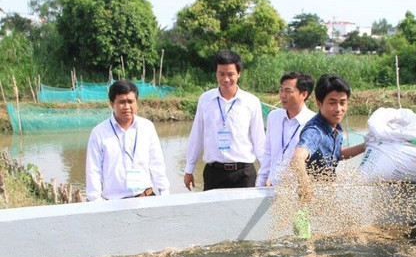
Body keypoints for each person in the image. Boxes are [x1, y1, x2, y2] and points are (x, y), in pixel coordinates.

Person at [183, 50, 265, 191]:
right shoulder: (205, 100)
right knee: (212, 213)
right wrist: (189, 168)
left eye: (230, 74)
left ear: (239, 74)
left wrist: (266, 171)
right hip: (214, 173)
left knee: (244, 213)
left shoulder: (251, 102)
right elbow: (197, 135)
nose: (226, 79)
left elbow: (259, 139)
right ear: (216, 73)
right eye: (221, 74)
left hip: (243, 174)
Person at [85, 80, 170, 201]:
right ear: (111, 103)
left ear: (137, 102)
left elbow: (157, 163)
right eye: (122, 102)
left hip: (146, 198)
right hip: (115, 204)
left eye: (130, 101)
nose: (127, 107)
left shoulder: (147, 127)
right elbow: (93, 171)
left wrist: (164, 193)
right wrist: (96, 202)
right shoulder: (99, 133)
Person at [290, 74, 366, 198]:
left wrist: (366, 146)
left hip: (327, 195)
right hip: (309, 197)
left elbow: (336, 154)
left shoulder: (335, 126)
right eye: (332, 103)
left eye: (343, 103)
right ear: (319, 104)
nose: (338, 109)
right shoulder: (315, 131)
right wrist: (305, 183)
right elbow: (297, 157)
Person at [256, 72, 316, 187]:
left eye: (288, 91)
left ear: (303, 94)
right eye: (281, 90)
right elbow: (268, 154)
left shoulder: (314, 123)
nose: (282, 95)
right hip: (271, 187)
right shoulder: (273, 117)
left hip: (297, 191)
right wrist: (259, 185)